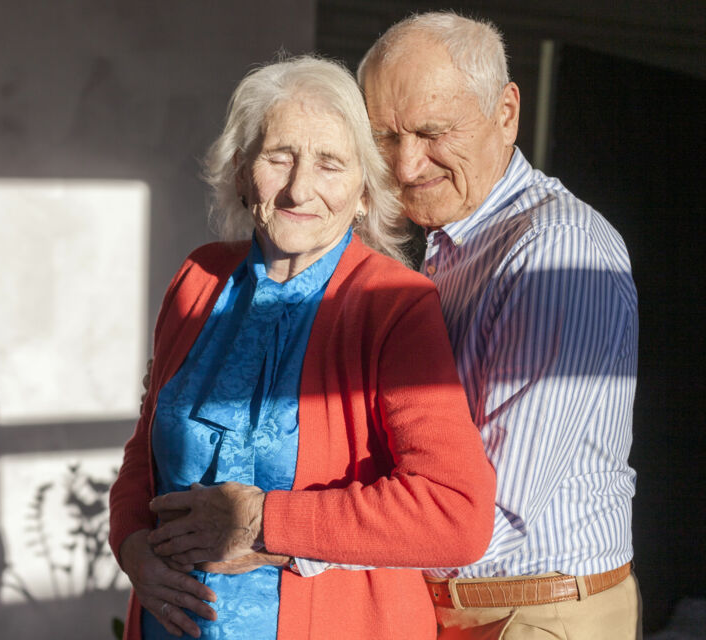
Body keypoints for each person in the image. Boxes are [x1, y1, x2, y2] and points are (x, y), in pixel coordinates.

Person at [109, 54, 496, 640]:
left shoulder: (393, 305)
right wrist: (132, 543)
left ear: (365, 192)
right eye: (278, 157)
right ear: (243, 173)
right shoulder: (199, 278)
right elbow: (147, 442)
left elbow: (453, 513)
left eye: (330, 164)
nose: (299, 188)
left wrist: (265, 522)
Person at [356, 12, 641, 639]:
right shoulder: (449, 244)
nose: (405, 166)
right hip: (469, 605)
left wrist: (299, 541)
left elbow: (486, 515)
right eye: (384, 137)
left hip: (531, 615)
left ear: (505, 113)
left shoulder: (556, 251)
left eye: (432, 133)